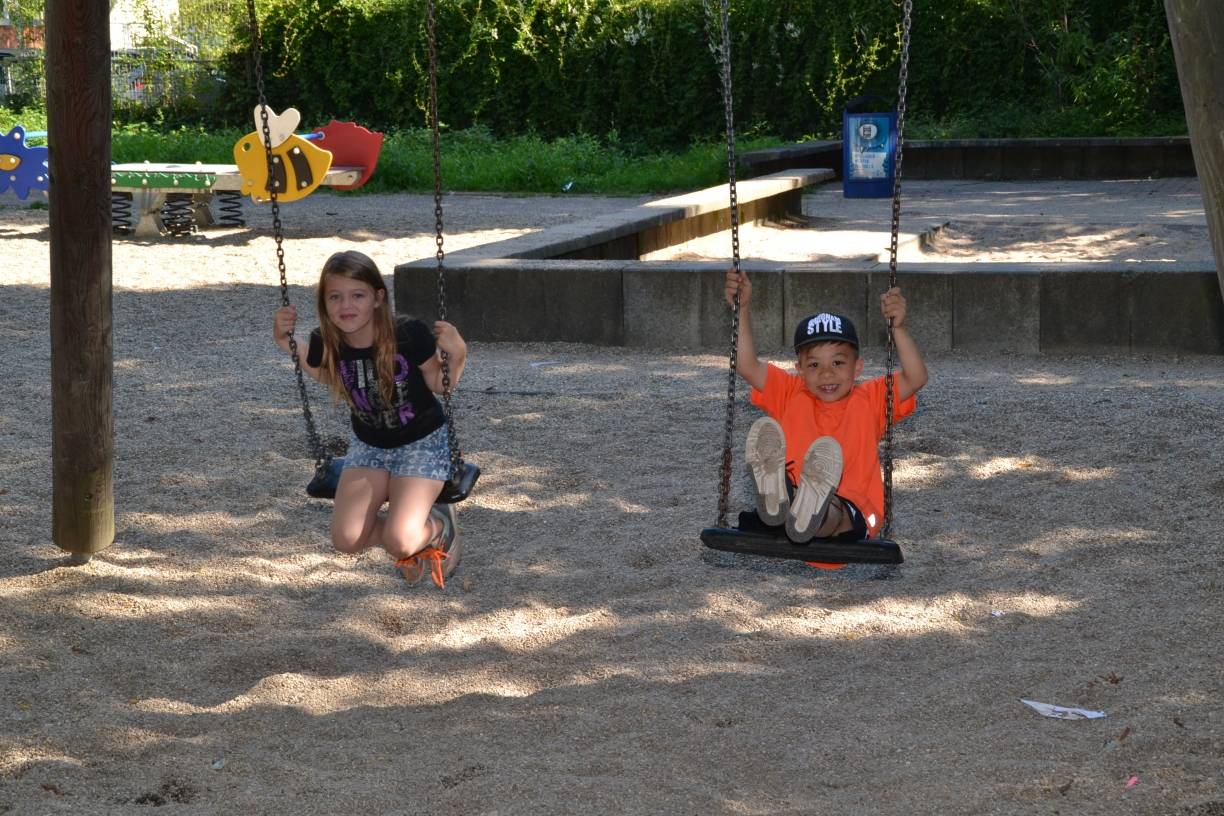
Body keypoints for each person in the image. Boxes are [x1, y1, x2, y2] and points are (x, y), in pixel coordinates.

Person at [273, 250, 467, 587]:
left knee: (400, 541)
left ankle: (437, 527)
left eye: (357, 295)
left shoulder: (408, 334)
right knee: (346, 540)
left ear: (378, 298)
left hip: (422, 444)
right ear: (324, 302)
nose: (346, 305)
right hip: (370, 447)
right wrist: (283, 339)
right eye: (335, 296)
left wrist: (457, 352)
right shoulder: (327, 341)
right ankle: (415, 524)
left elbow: (440, 384)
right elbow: (325, 374)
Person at [724, 268, 928, 543]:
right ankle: (781, 501)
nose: (826, 374)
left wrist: (898, 328)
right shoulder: (790, 392)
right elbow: (746, 365)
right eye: (814, 365)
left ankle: (802, 508)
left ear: (858, 368)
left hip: (851, 513)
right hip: (791, 508)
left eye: (838, 363)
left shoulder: (871, 398)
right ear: (800, 370)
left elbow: (916, 378)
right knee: (796, 504)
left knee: (831, 511)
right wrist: (742, 307)